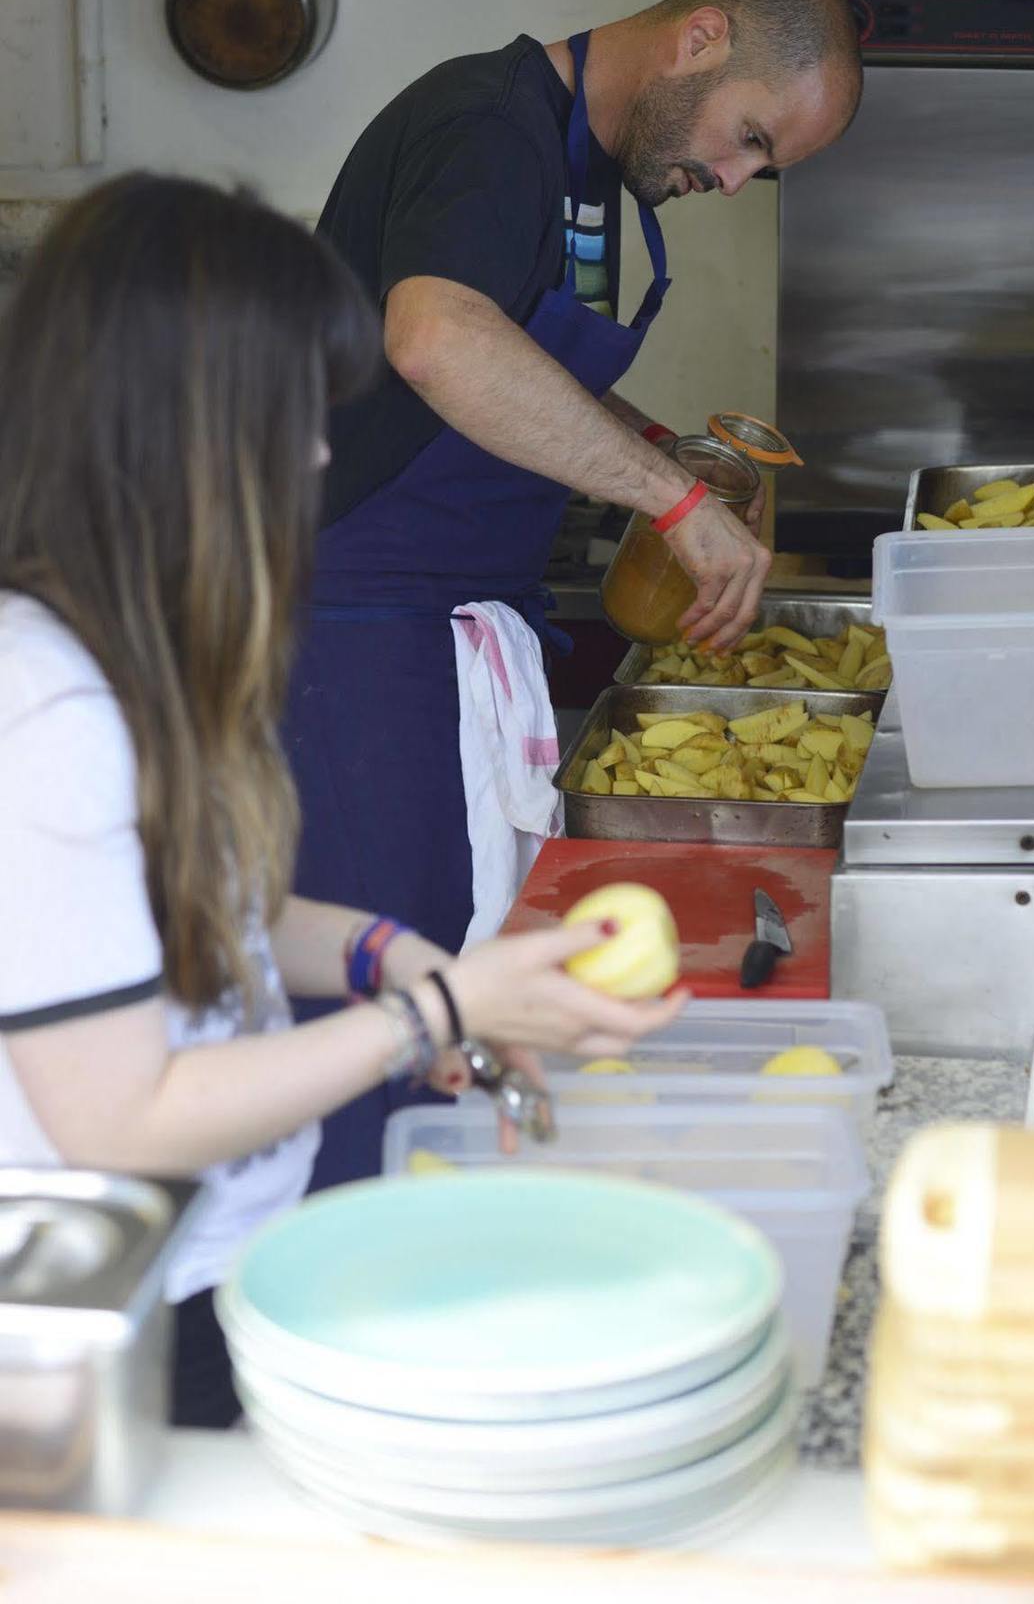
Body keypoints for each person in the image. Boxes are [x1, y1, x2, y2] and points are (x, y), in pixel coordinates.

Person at [0, 174, 684, 1429]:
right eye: (296, 413)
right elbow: (122, 1115)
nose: (319, 454)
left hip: (217, 1266)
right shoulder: (44, 709)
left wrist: (391, 955)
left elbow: (217, 908)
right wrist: (435, 1011)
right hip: (128, 1332)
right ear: (182, 425)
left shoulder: (127, 651)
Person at [287, 0, 863, 1190]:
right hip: (351, 633)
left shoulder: (591, 180)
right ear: (700, 38)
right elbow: (438, 338)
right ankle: (326, 1307)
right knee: (381, 1007)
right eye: (751, 139)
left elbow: (532, 374)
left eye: (766, 168)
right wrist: (670, 497)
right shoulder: (485, 126)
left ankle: (431, 1256)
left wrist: (661, 449)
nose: (736, 178)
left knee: (451, 991)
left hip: (444, 626)